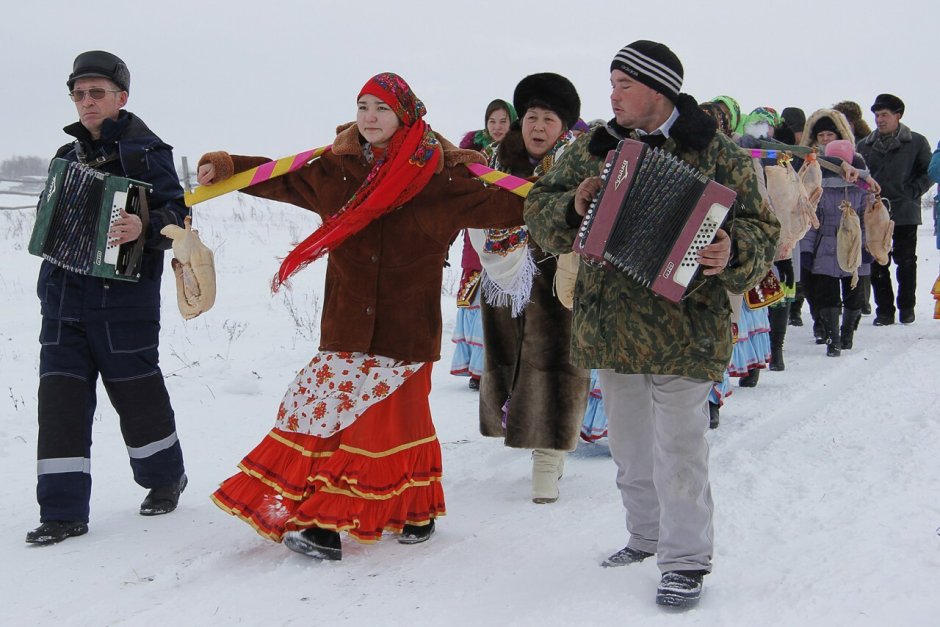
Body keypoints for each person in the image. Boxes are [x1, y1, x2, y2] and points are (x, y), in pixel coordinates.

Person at [198, 73, 525, 561]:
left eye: (382, 108)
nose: (370, 117)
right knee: (319, 410)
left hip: (406, 328)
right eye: (363, 106)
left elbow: (513, 203)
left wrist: (568, 205)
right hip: (348, 322)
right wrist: (227, 168)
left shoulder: (445, 177)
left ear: (406, 115)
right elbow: (279, 175)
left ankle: (326, 525)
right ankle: (415, 509)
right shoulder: (336, 167)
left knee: (385, 424)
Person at [525, 41, 779, 608]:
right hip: (612, 326)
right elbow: (539, 212)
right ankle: (644, 536)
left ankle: (685, 560)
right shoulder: (592, 150)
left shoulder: (717, 154)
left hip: (686, 329)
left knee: (681, 447)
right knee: (632, 447)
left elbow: (764, 231)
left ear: (657, 91)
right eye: (610, 84)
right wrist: (572, 207)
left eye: (623, 85)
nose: (611, 95)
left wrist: (730, 251)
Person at [26, 51, 189, 546]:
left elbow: (178, 219)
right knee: (59, 399)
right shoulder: (64, 158)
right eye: (79, 94)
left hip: (123, 300)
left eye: (97, 93)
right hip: (61, 297)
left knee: (137, 392)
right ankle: (62, 511)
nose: (87, 102)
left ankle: (164, 478)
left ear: (121, 97)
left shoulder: (147, 151)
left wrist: (145, 225)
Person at [471, 73, 590, 504]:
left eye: (549, 120)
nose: (538, 127)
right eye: (533, 117)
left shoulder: (579, 166)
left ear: (564, 128)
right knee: (509, 364)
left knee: (556, 365)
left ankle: (548, 460)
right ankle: (525, 438)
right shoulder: (495, 160)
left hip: (560, 280)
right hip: (503, 275)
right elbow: (474, 207)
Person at [451, 99, 517, 391]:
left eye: (503, 121)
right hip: (477, 234)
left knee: (502, 300)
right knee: (477, 300)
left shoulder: (522, 151)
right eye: (493, 121)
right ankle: (478, 369)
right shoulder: (474, 155)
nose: (497, 127)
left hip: (511, 235)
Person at [799, 110, 877, 355]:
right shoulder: (819, 188)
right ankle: (833, 338)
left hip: (854, 247)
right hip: (826, 249)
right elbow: (813, 221)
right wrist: (807, 250)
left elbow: (869, 222)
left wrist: (869, 248)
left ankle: (847, 334)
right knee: (828, 296)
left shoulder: (863, 190)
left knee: (855, 297)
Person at [857, 94, 932, 325]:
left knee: (906, 260)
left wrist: (912, 191)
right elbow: (857, 176)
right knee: (879, 262)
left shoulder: (916, 142)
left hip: (905, 211)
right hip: (875, 213)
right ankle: (884, 311)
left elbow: (929, 172)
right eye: (877, 115)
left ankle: (906, 307)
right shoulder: (864, 146)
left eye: (884, 115)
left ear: (897, 116)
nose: (879, 120)